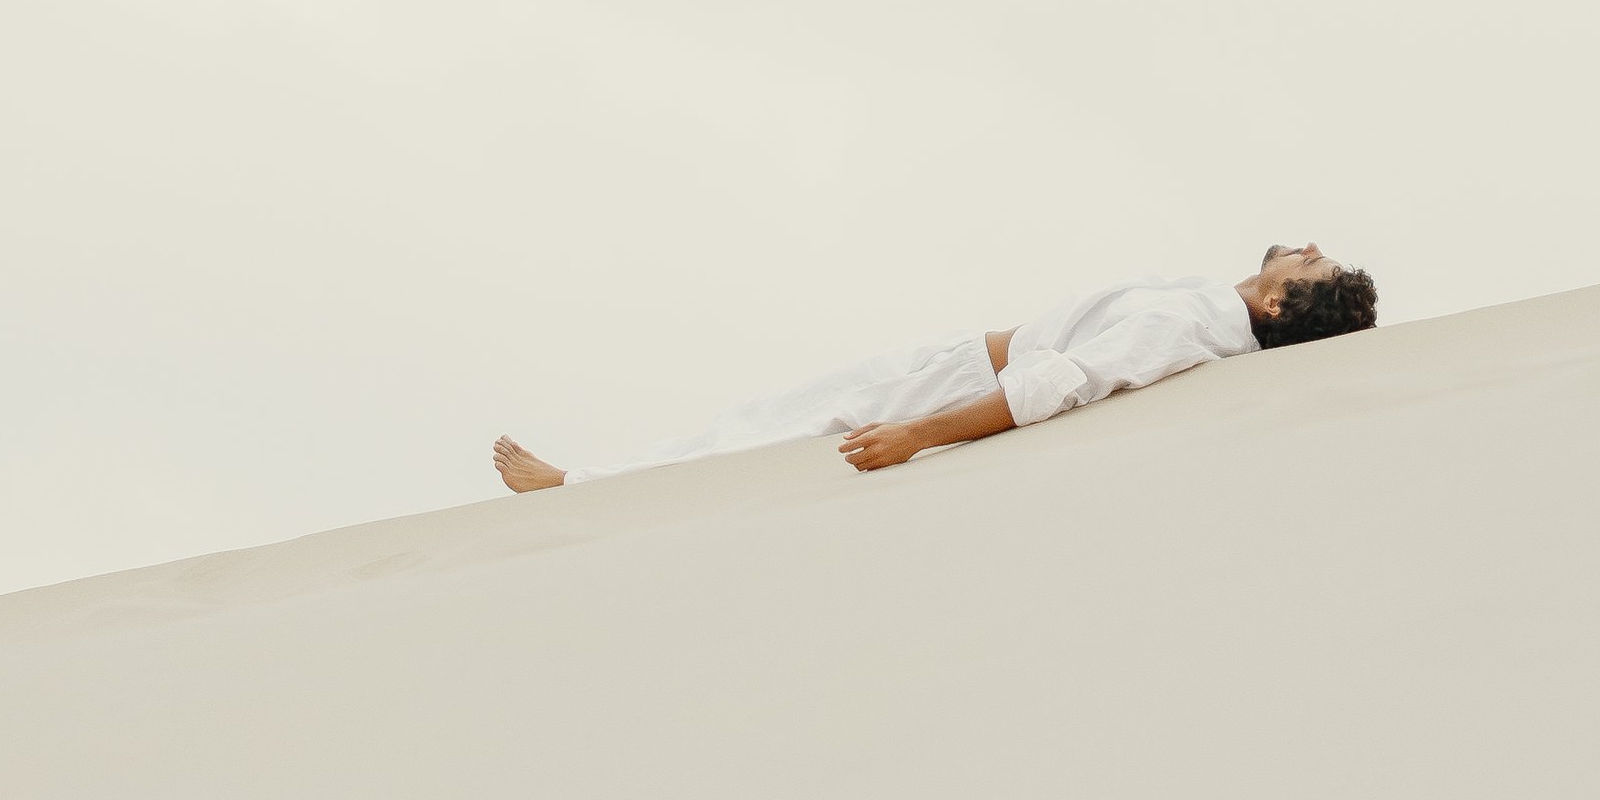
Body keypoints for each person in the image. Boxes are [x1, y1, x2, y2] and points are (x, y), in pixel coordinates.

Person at [493, 241, 1377, 490]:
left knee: (772, 425)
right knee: (773, 418)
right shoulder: (1202, 314)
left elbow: (1055, 387)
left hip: (957, 385)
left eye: (1313, 264)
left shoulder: (1187, 326)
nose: (1303, 246)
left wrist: (918, 433)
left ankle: (579, 486)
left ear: (1277, 306)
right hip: (959, 366)